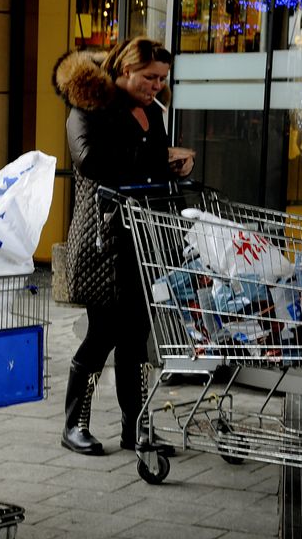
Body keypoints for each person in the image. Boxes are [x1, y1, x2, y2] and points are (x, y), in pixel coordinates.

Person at [52, 37, 195, 456]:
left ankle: (138, 427)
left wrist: (174, 165)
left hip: (144, 238)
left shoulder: (151, 110)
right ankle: (74, 424)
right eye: (150, 77)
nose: (156, 86)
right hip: (104, 240)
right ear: (126, 68)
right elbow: (93, 162)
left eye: (162, 80)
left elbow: (149, 167)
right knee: (103, 334)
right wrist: (157, 158)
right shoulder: (90, 107)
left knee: (136, 336)